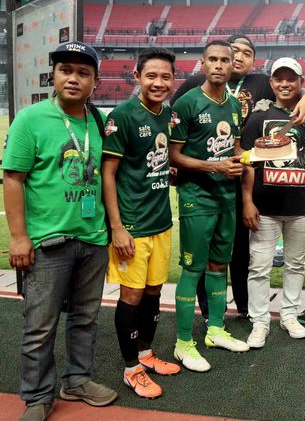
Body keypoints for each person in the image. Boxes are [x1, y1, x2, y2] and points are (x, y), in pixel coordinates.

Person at [3, 41, 117, 420]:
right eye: (66, 70)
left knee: (85, 318)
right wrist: (19, 237)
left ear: (95, 82)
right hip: (47, 242)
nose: (73, 78)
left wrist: (110, 228)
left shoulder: (98, 121)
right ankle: (37, 397)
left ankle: (78, 379)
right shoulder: (30, 119)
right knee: (39, 326)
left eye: (83, 73)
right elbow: (13, 179)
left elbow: (104, 176)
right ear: (53, 75)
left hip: (92, 238)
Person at [172, 34, 305, 320]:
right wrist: (177, 164)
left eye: (245, 53)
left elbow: (295, 89)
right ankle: (208, 311)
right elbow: (171, 124)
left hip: (239, 180)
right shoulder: (191, 90)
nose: (235, 58)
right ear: (206, 62)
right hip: (200, 186)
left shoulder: (259, 84)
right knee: (200, 257)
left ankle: (244, 309)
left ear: (253, 61)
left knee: (237, 249)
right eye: (228, 54)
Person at [102, 47, 181, 399]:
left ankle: (146, 353)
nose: (159, 82)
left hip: (161, 221)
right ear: (136, 77)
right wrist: (118, 227)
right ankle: (131, 367)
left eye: (165, 76)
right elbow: (109, 174)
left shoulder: (169, 115)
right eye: (151, 75)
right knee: (131, 296)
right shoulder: (123, 115)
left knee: (153, 292)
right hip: (132, 226)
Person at [170, 40, 250, 373]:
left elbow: (233, 148)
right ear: (202, 64)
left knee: (220, 266)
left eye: (225, 60)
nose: (219, 65)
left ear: (233, 66)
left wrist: (247, 157)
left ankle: (215, 329)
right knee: (193, 269)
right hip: (196, 198)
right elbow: (174, 156)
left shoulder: (233, 105)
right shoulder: (187, 103)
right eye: (213, 59)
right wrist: (214, 167)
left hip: (225, 198)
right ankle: (183, 342)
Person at [240, 58, 305, 347]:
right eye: (278, 79)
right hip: (264, 206)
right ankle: (260, 321)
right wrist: (247, 201)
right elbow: (247, 163)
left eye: (290, 78)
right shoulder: (259, 116)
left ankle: (289, 314)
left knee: (295, 264)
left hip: (300, 205)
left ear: (300, 82)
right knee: (259, 266)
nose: (284, 84)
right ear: (271, 83)